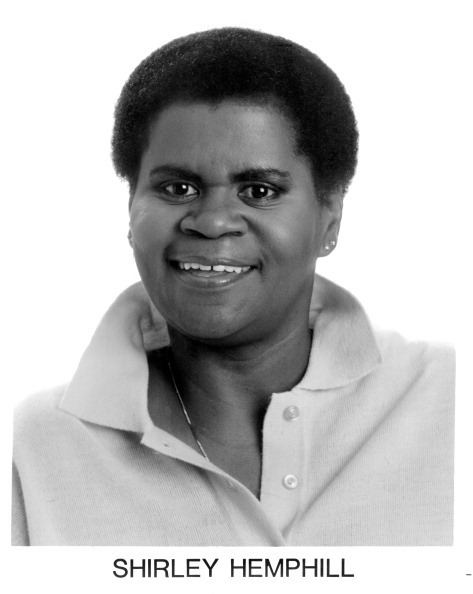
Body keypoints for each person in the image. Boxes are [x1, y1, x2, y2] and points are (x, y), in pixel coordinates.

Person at [12, 27, 454, 546]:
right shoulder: (31, 450)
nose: (213, 221)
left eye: (260, 190)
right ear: (131, 207)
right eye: (178, 187)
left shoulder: (447, 401)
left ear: (330, 218)